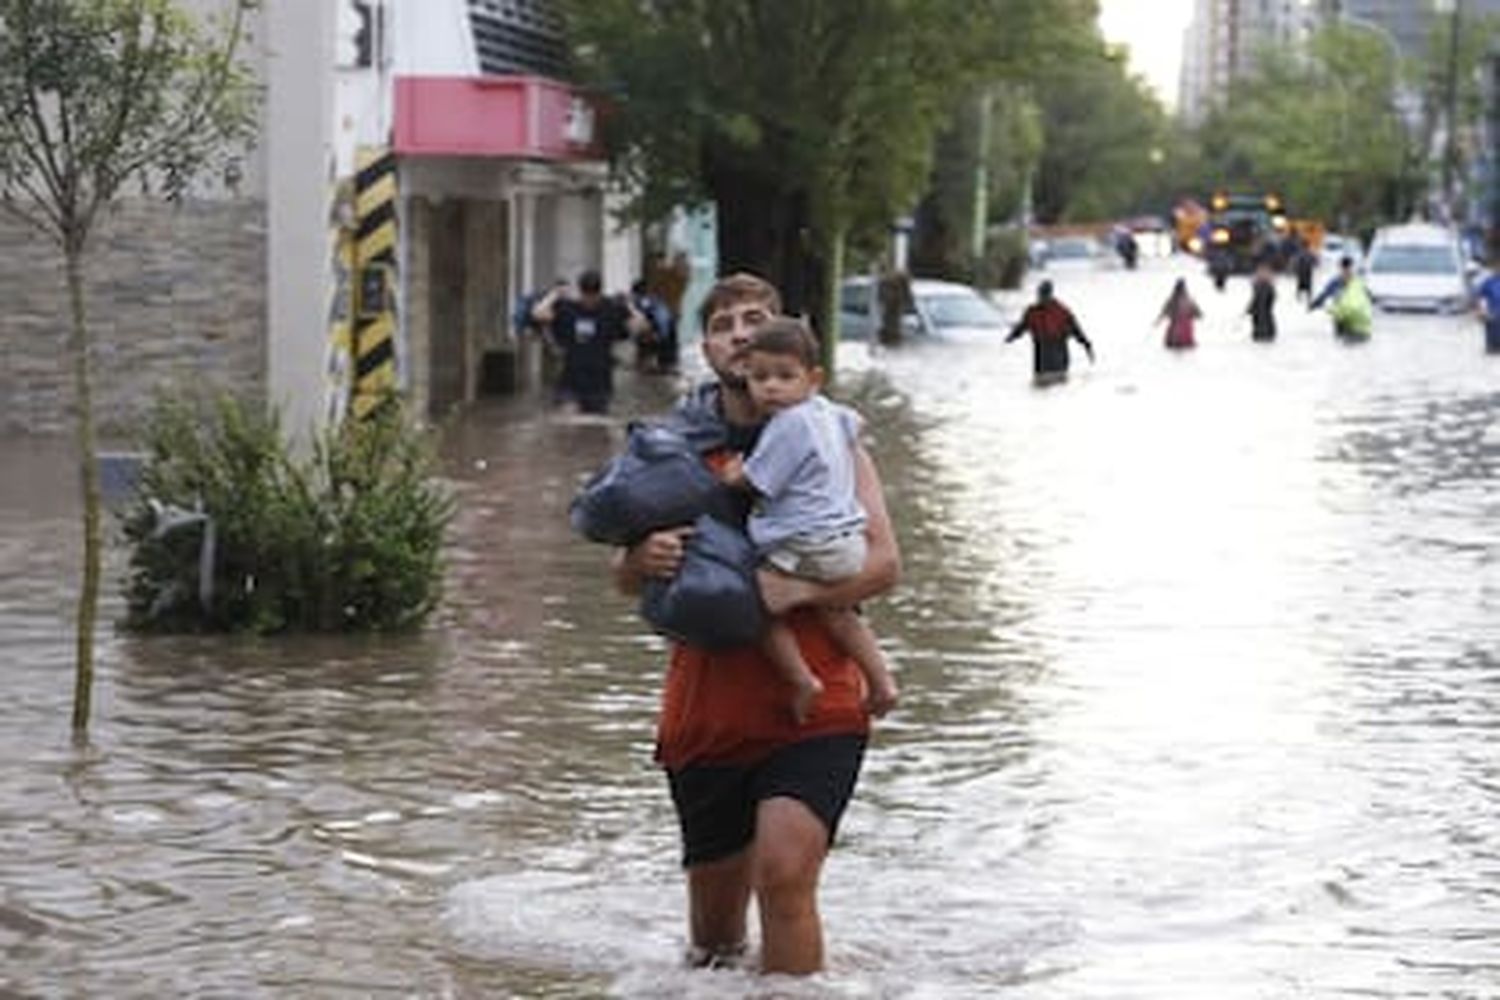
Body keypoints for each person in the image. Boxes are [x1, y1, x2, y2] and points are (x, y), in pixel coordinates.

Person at [614, 273, 900, 975]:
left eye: (757, 319)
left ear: (791, 347)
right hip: (706, 712)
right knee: (714, 942)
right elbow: (622, 582)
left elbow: (885, 564)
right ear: (707, 348)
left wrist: (795, 591)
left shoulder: (835, 440)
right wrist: (638, 558)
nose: (741, 332)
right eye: (723, 324)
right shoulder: (673, 450)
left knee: (784, 875)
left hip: (819, 704)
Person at [714, 318, 900, 724]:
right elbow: (856, 423)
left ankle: (801, 679)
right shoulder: (827, 412)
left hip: (804, 542)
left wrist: (732, 474)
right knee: (839, 613)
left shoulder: (787, 424)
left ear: (813, 378)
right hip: (844, 543)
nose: (772, 387)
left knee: (757, 602)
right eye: (761, 377)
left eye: (784, 376)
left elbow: (759, 480)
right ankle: (882, 681)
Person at [531, 269, 648, 413]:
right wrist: (554, 294)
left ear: (599, 292)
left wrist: (629, 304)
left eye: (594, 295)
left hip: (600, 385)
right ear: (581, 292)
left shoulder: (611, 308)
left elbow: (642, 325)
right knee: (569, 420)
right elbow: (538, 314)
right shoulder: (568, 308)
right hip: (571, 382)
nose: (590, 301)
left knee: (597, 429)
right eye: (586, 295)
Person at [1006, 279, 1095, 381]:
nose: (1041, 297)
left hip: (1059, 363)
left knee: (1055, 386)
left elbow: (1077, 332)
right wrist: (1009, 339)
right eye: (1040, 294)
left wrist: (1087, 346)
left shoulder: (1062, 311)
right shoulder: (1032, 312)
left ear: (1050, 294)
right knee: (1043, 385)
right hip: (1041, 364)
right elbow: (1020, 329)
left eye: (1043, 294)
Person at [1309, 255, 1372, 341]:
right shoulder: (1357, 281)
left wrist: (1314, 305)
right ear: (1352, 266)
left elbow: (1324, 295)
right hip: (1354, 316)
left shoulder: (1337, 281)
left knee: (1340, 339)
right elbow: (1367, 295)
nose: (1346, 271)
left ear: (1340, 267)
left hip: (1342, 315)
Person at [1157, 277, 1201, 349]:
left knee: (1179, 334)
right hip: (1181, 321)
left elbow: (1166, 309)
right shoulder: (1182, 297)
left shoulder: (1183, 297)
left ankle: (1178, 342)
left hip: (1182, 321)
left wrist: (1160, 318)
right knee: (1178, 334)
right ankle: (1178, 342)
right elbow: (1167, 308)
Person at [1247, 262, 1277, 341]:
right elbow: (1255, 299)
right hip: (1259, 315)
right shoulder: (1259, 285)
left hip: (1262, 319)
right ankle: (1262, 333)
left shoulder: (1266, 287)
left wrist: (1252, 308)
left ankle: (1264, 334)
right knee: (1260, 318)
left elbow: (1263, 303)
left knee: (1263, 317)